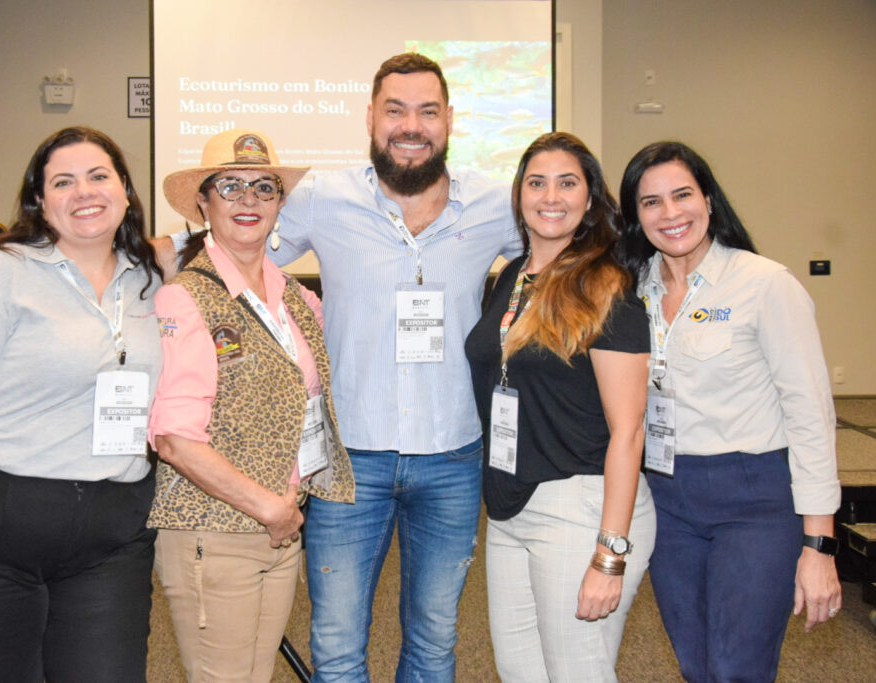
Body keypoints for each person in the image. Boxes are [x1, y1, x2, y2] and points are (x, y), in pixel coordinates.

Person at [270, 53, 522, 681]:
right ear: (370, 119)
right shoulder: (321, 199)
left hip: (453, 458)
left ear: (450, 121)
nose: (411, 126)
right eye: (396, 110)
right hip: (349, 460)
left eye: (427, 111)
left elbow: (568, 245)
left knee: (435, 641)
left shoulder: (497, 204)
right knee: (335, 643)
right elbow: (239, 245)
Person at [0, 127, 163, 681]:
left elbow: (232, 232)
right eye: (62, 182)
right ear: (40, 202)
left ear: (125, 190)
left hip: (111, 546)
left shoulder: (154, 278)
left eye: (98, 176)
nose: (83, 192)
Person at [616, 141, 842, 682]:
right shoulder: (631, 290)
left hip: (755, 500)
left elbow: (811, 415)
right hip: (666, 498)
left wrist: (819, 545)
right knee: (696, 663)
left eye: (682, 195)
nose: (670, 214)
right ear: (635, 216)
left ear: (710, 200)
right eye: (651, 202)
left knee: (737, 667)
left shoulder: (765, 285)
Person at [147, 129, 355, 682]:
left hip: (280, 529)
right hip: (215, 534)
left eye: (264, 188)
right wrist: (270, 508)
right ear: (203, 202)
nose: (248, 201)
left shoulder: (294, 297)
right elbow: (173, 438)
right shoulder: (184, 298)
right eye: (230, 187)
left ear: (281, 204)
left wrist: (281, 512)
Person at [465, 132, 654, 681]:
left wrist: (609, 554)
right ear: (519, 195)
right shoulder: (512, 276)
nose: (552, 196)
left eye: (568, 183)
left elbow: (630, 431)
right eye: (537, 182)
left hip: (582, 508)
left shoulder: (606, 286)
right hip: (509, 508)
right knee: (520, 673)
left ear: (591, 199)